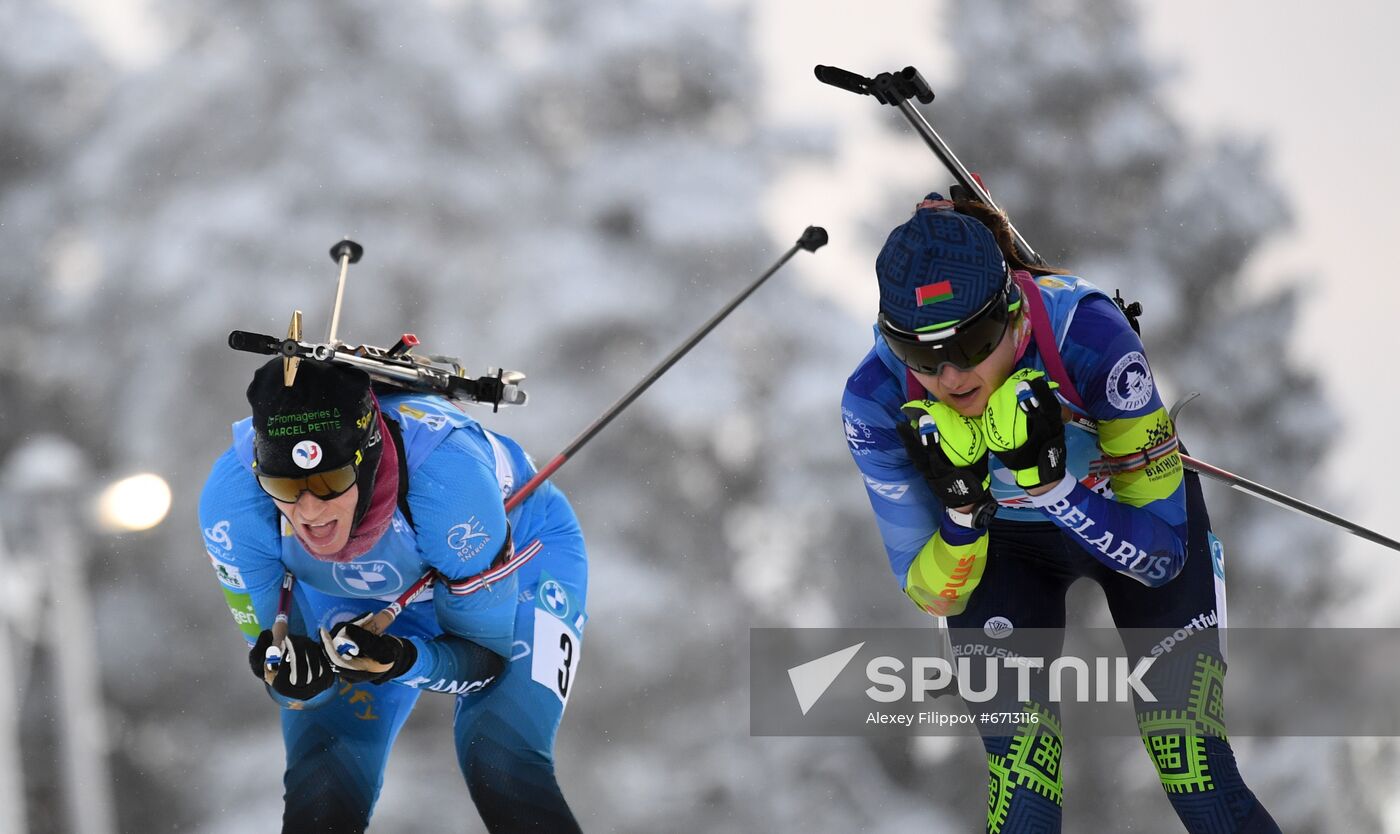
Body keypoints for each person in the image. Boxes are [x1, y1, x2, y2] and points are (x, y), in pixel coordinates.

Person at [841, 194, 1280, 833]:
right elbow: (927, 590)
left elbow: (1161, 559)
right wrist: (964, 515)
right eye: (920, 354)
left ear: (1012, 311)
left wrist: (1056, 491)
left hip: (1126, 519)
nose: (952, 375)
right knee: (1023, 783)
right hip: (1004, 553)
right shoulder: (875, 400)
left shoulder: (1089, 338)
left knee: (1194, 768)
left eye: (972, 340)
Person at [199, 357, 587, 833]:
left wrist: (403, 660)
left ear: (366, 460)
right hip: (351, 597)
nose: (308, 511)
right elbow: (287, 677)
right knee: (323, 777)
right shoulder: (233, 506)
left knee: (499, 756)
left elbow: (485, 664)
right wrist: (296, 679)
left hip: (523, 561)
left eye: (329, 483)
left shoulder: (449, 489)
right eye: (284, 485)